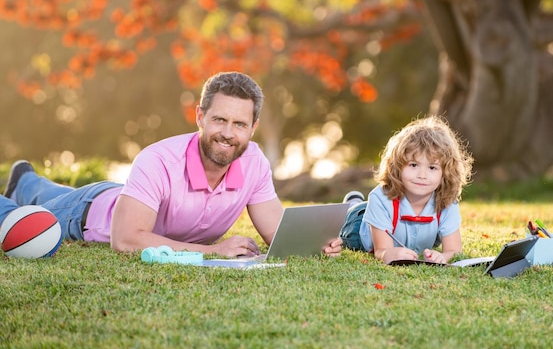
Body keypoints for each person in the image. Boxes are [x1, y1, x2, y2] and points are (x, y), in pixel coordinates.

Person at [2, 71, 343, 258]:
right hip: (89, 212)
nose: (227, 134)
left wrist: (316, 245)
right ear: (200, 117)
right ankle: (19, 192)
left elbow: (277, 232)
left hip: (126, 196)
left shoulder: (254, 161)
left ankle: (24, 181)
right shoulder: (158, 160)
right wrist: (213, 251)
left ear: (253, 129)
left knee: (40, 191)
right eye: (219, 120)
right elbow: (125, 240)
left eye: (239, 125)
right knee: (23, 218)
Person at [339, 115, 474, 264]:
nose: (422, 175)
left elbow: (454, 251)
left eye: (432, 167)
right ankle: (352, 204)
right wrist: (388, 254)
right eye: (413, 165)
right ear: (397, 166)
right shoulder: (380, 198)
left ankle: (357, 203)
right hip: (359, 228)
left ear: (445, 172)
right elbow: (381, 251)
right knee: (351, 216)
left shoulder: (447, 202)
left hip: (382, 215)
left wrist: (442, 257)